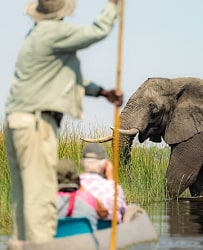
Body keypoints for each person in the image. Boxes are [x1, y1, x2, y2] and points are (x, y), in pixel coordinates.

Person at [3, 0, 122, 243]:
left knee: (23, 199)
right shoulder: (54, 31)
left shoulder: (36, 35)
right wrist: (112, 6)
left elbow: (70, 78)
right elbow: (96, 32)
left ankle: (20, 245)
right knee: (41, 197)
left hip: (17, 121)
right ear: (62, 11)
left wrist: (101, 92)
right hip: (37, 124)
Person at [79, 143, 127, 223]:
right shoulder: (113, 188)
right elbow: (119, 216)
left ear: (81, 163)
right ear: (106, 165)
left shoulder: (72, 186)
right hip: (107, 233)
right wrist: (111, 180)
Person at [56, 159, 108, 230]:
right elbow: (104, 214)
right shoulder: (89, 199)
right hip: (86, 239)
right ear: (77, 178)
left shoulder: (48, 204)